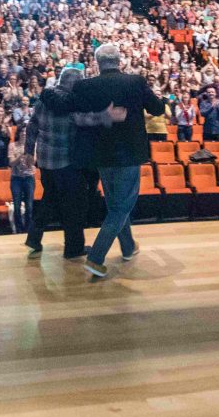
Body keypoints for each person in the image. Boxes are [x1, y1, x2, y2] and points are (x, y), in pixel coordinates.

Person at [70, 43, 164, 278]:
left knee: (116, 205)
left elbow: (76, 118)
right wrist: (159, 99)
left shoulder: (85, 86)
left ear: (97, 63)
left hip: (101, 155)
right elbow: (157, 109)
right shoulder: (135, 82)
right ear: (119, 60)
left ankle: (128, 246)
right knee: (122, 207)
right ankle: (96, 257)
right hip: (129, 154)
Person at [25, 68, 119, 261]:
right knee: (74, 206)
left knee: (49, 198)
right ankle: (73, 249)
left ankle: (33, 238)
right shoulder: (69, 102)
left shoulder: (44, 100)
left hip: (44, 160)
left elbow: (32, 125)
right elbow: (83, 119)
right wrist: (106, 115)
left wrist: (28, 151)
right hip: (64, 162)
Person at [7, 125, 35, 234]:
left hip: (28, 177)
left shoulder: (32, 145)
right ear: (18, 133)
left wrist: (28, 154)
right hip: (16, 178)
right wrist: (20, 155)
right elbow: (11, 163)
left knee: (29, 206)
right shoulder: (12, 145)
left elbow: (33, 163)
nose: (24, 134)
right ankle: (19, 229)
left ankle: (28, 229)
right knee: (17, 205)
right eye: (22, 132)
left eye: (26, 132)